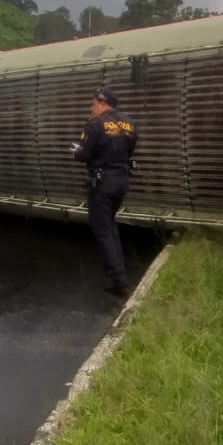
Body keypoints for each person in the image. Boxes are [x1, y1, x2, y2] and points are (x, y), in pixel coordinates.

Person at [71, 85, 136, 296]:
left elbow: (85, 154)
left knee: (102, 229)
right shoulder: (129, 124)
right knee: (109, 224)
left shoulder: (95, 125)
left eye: (93, 105)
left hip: (102, 183)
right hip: (122, 181)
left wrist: (77, 152)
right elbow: (129, 151)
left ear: (101, 103)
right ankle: (118, 270)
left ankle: (118, 279)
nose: (92, 109)